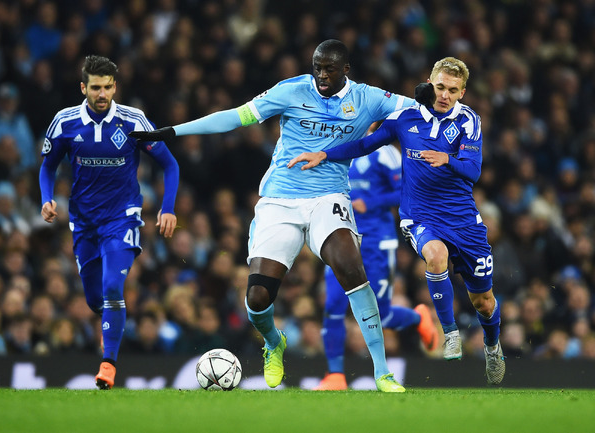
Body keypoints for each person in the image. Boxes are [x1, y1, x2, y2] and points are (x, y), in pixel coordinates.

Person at [130, 39, 415, 392]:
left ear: (346, 70)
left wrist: (436, 101)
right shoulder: (291, 91)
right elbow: (234, 117)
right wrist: (173, 131)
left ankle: (382, 372)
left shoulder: (369, 99)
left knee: (350, 266)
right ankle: (273, 342)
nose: (321, 75)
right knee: (258, 299)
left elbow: (421, 110)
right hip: (280, 199)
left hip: (329, 196)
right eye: (317, 67)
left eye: (329, 68)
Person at [288, 57, 506, 385]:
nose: (444, 95)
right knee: (435, 257)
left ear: (463, 92)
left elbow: (473, 171)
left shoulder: (469, 121)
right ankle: (450, 333)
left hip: (462, 219)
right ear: (430, 83)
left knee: (484, 303)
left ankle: (492, 345)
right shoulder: (405, 118)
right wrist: (326, 154)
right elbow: (365, 144)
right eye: (439, 87)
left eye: (452, 90)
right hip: (420, 215)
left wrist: (447, 159)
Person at [39, 55, 179, 390]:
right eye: (96, 88)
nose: (102, 94)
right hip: (83, 221)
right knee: (95, 299)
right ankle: (113, 328)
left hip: (123, 216)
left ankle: (108, 365)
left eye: (108, 87)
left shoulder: (134, 120)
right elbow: (48, 166)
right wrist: (45, 198)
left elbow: (170, 165)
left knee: (113, 287)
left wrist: (168, 207)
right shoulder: (64, 122)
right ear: (83, 87)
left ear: (115, 86)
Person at [316, 138, 438, 390]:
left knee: (380, 314)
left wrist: (370, 203)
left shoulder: (384, 153)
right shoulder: (334, 148)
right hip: (340, 237)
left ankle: (417, 318)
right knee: (333, 305)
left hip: (376, 244)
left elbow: (407, 190)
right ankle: (335, 375)